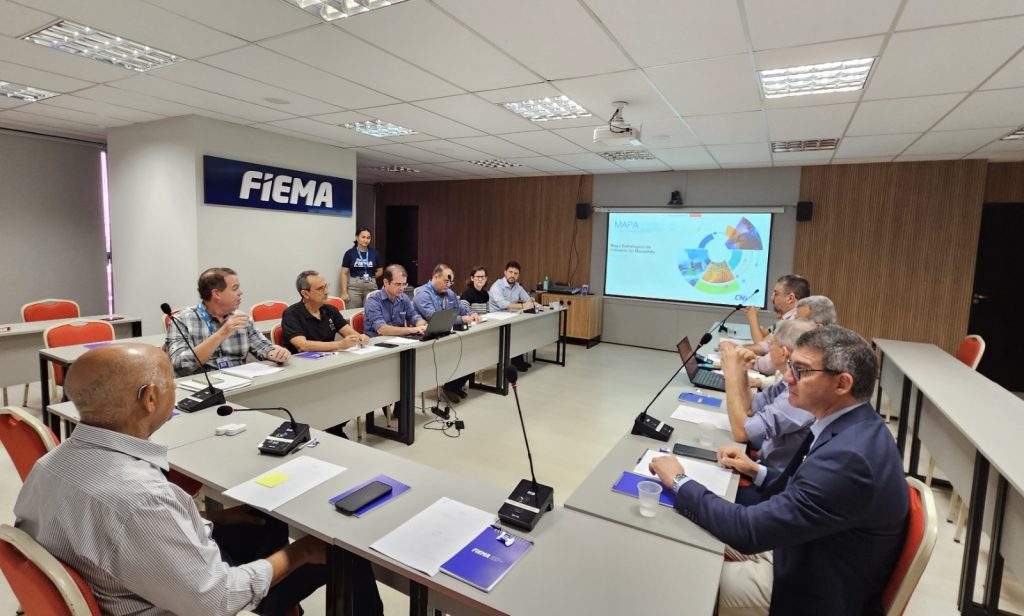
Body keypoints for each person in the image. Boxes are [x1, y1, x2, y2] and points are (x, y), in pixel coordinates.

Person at [13, 344, 342, 616]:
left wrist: (218, 518)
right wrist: (300, 553)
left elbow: (117, 533)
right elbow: (218, 601)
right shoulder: (143, 499)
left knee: (264, 521)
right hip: (180, 601)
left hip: (129, 580)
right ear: (150, 399)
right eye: (173, 381)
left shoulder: (49, 464)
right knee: (343, 557)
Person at [650, 326, 908, 616]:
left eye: (801, 371)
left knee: (686, 572)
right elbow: (804, 493)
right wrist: (756, 470)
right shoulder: (849, 424)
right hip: (802, 546)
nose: (787, 377)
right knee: (679, 530)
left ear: (842, 383)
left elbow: (748, 531)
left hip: (808, 587)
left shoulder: (850, 459)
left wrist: (679, 480)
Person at [720, 319, 817, 505]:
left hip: (776, 486)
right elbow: (750, 409)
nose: (766, 350)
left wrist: (730, 376)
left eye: (771, 343)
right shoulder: (789, 381)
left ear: (783, 352)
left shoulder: (799, 395)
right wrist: (741, 370)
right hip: (763, 468)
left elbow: (741, 432)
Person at [166, 267, 290, 377]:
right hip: (202, 386)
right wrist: (221, 333)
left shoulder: (241, 318)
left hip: (241, 382)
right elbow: (179, 365)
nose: (240, 292)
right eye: (235, 288)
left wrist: (274, 352)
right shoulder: (181, 320)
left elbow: (262, 346)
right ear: (216, 293)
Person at [414, 264, 482, 400]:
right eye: (446, 281)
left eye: (451, 282)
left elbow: (461, 308)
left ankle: (453, 386)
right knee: (462, 352)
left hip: (447, 335)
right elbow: (435, 318)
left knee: (473, 350)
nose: (449, 285)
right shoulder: (423, 294)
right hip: (430, 340)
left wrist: (472, 314)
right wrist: (462, 319)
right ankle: (451, 386)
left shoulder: (449, 293)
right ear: (436, 276)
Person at [281, 270, 368, 354]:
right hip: (302, 360)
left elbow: (350, 333)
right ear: (305, 294)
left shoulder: (330, 310)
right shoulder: (291, 314)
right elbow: (302, 346)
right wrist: (339, 345)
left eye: (326, 286)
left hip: (329, 357)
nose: (326, 292)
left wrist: (360, 337)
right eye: (320, 289)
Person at [746, 274, 810, 375]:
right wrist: (738, 348)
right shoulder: (788, 320)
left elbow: (768, 365)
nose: (771, 298)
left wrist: (742, 357)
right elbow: (767, 345)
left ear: (790, 298)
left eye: (776, 293)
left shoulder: (793, 324)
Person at [488, 260, 537, 372]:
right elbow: (503, 304)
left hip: (509, 317)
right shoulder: (497, 285)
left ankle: (517, 360)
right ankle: (514, 361)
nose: (512, 275)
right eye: (510, 272)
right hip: (495, 319)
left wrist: (535, 303)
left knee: (521, 331)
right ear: (505, 272)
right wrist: (523, 305)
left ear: (518, 275)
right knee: (515, 332)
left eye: (515, 273)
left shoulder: (517, 286)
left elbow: (527, 299)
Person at [363, 264, 427, 338]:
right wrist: (412, 330)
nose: (402, 288)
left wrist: (422, 325)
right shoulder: (373, 301)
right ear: (386, 282)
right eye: (398, 284)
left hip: (399, 340)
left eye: (404, 284)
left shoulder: (404, 298)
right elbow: (382, 329)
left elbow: (414, 316)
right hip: (377, 341)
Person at [339, 227, 382, 309]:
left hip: (371, 287)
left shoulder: (374, 253)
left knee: (371, 310)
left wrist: (371, 278)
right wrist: (344, 292)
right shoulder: (350, 253)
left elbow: (380, 271)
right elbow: (344, 273)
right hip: (354, 288)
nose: (366, 240)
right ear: (357, 237)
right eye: (363, 237)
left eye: (368, 238)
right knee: (352, 311)